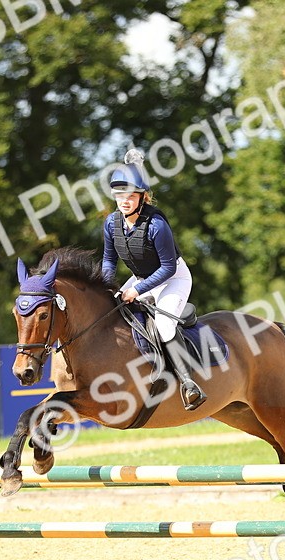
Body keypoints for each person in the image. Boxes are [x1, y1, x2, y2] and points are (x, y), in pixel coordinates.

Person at [101, 149, 207, 411]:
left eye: (130, 196)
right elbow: (109, 260)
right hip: (141, 277)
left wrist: (136, 290)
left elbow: (168, 268)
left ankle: (188, 383)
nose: (124, 201)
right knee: (110, 310)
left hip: (173, 278)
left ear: (142, 197)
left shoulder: (157, 225)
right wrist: (104, 285)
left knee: (164, 323)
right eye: (119, 196)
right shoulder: (110, 224)